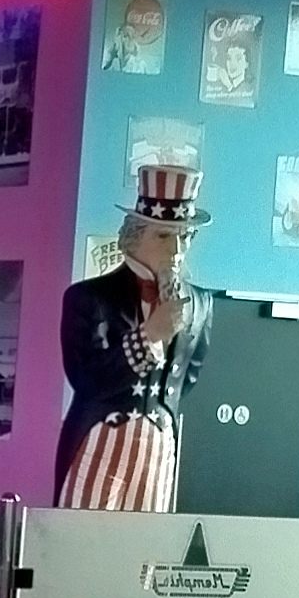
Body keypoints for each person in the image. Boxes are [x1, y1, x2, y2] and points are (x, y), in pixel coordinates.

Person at [56, 160, 214, 508]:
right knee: (81, 534)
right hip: (99, 440)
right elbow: (86, 379)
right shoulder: (89, 298)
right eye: (163, 236)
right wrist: (150, 336)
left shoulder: (200, 304)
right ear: (135, 235)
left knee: (145, 538)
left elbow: (187, 379)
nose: (176, 250)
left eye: (185, 236)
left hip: (158, 447)